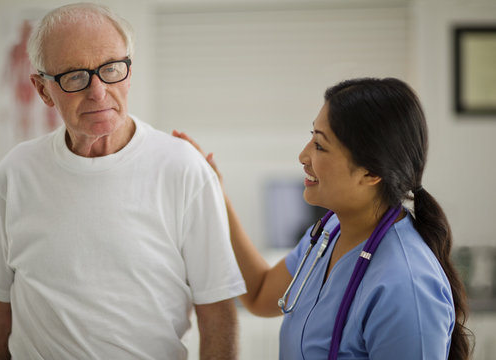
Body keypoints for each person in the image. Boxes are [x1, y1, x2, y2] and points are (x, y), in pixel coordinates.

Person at [0, 3, 245, 359]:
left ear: (129, 71)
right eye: (75, 76)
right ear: (43, 89)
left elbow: (217, 314)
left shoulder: (184, 168)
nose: (97, 92)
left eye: (111, 69)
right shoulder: (15, 173)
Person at [174, 77, 471, 359]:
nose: (303, 156)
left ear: (371, 173)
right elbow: (261, 294)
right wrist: (215, 191)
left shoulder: (406, 289)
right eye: (311, 137)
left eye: (320, 145)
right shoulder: (330, 231)